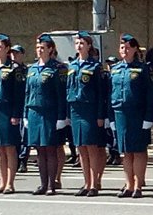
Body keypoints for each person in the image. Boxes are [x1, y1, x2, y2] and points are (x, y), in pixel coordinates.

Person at [109, 33, 153, 198]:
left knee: (138, 151)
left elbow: (150, 94)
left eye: (128, 47)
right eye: (122, 47)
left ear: (135, 49)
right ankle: (129, 184)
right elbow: (111, 95)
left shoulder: (143, 69)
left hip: (138, 114)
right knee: (126, 152)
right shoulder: (115, 69)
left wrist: (149, 117)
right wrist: (111, 118)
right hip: (120, 114)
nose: (125, 50)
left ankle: (138, 184)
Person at [66, 31, 109, 197]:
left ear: (89, 46)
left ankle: (94, 183)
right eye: (77, 43)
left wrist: (100, 115)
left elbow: (100, 93)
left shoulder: (95, 66)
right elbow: (68, 90)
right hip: (76, 110)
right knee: (81, 148)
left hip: (90, 110)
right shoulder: (72, 66)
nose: (79, 46)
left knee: (91, 148)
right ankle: (86, 182)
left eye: (82, 43)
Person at [25, 33, 68, 196]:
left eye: (42, 47)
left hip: (49, 114)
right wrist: (25, 114)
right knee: (39, 151)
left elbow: (60, 95)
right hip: (34, 113)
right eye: (37, 47)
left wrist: (61, 117)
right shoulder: (32, 69)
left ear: (50, 49)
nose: (39, 50)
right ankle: (42, 184)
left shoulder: (57, 69)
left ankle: (51, 184)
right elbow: (27, 93)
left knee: (50, 150)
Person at [0, 33, 25, 194]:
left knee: (9, 148)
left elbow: (18, 94)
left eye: (0, 47)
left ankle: (10, 182)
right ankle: (2, 181)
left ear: (7, 48)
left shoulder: (14, 69)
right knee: (0, 148)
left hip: (8, 111)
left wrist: (16, 114)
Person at [10, 44, 29, 173]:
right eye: (12, 53)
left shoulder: (26, 70)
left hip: (25, 105)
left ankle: (23, 160)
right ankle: (16, 159)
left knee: (24, 135)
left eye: (17, 53)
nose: (14, 55)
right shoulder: (9, 69)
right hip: (13, 107)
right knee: (15, 135)